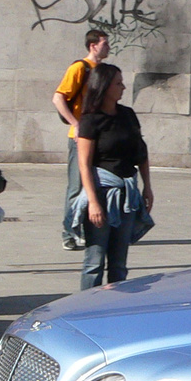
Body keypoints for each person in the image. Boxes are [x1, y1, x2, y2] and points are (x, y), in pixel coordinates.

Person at [71, 62, 154, 289]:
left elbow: (142, 153)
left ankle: (114, 307)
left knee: (119, 263)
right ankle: (87, 308)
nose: (123, 87)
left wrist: (147, 187)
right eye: (118, 83)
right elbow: (84, 164)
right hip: (102, 191)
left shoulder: (127, 115)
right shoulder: (90, 120)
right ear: (104, 86)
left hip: (127, 193)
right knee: (94, 261)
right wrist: (94, 203)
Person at [53, 29, 110, 249]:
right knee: (76, 186)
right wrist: (75, 124)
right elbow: (58, 98)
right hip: (80, 137)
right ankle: (69, 233)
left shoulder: (104, 71)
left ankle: (85, 228)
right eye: (104, 43)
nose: (108, 47)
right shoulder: (80, 68)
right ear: (93, 45)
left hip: (99, 136)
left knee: (93, 186)